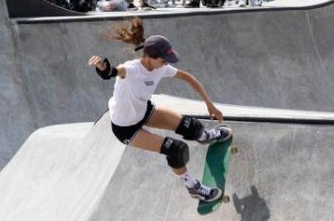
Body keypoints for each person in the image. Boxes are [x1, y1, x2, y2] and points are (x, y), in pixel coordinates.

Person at [87, 17, 232, 203]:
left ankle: (204, 137)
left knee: (191, 126)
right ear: (148, 57)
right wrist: (103, 67)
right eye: (163, 60)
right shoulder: (131, 69)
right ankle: (193, 188)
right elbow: (113, 72)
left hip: (144, 110)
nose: (165, 64)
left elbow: (188, 78)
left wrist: (209, 104)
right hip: (125, 128)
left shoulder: (161, 68)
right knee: (176, 150)